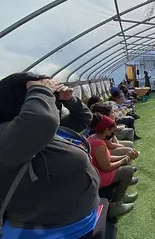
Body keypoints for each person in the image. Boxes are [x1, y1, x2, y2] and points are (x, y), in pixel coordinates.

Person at [0, 73, 100, 238]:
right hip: (47, 231)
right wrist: (39, 88)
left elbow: (84, 118)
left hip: (76, 220)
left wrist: (69, 99)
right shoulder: (10, 135)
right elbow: (42, 119)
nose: (51, 101)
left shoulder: (41, 129)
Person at [88, 113, 139, 218]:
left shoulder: (94, 138)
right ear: (106, 130)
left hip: (97, 172)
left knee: (125, 167)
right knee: (128, 171)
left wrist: (125, 156)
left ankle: (121, 195)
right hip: (99, 176)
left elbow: (108, 158)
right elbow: (107, 168)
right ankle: (116, 205)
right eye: (112, 131)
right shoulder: (99, 144)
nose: (112, 134)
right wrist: (126, 159)